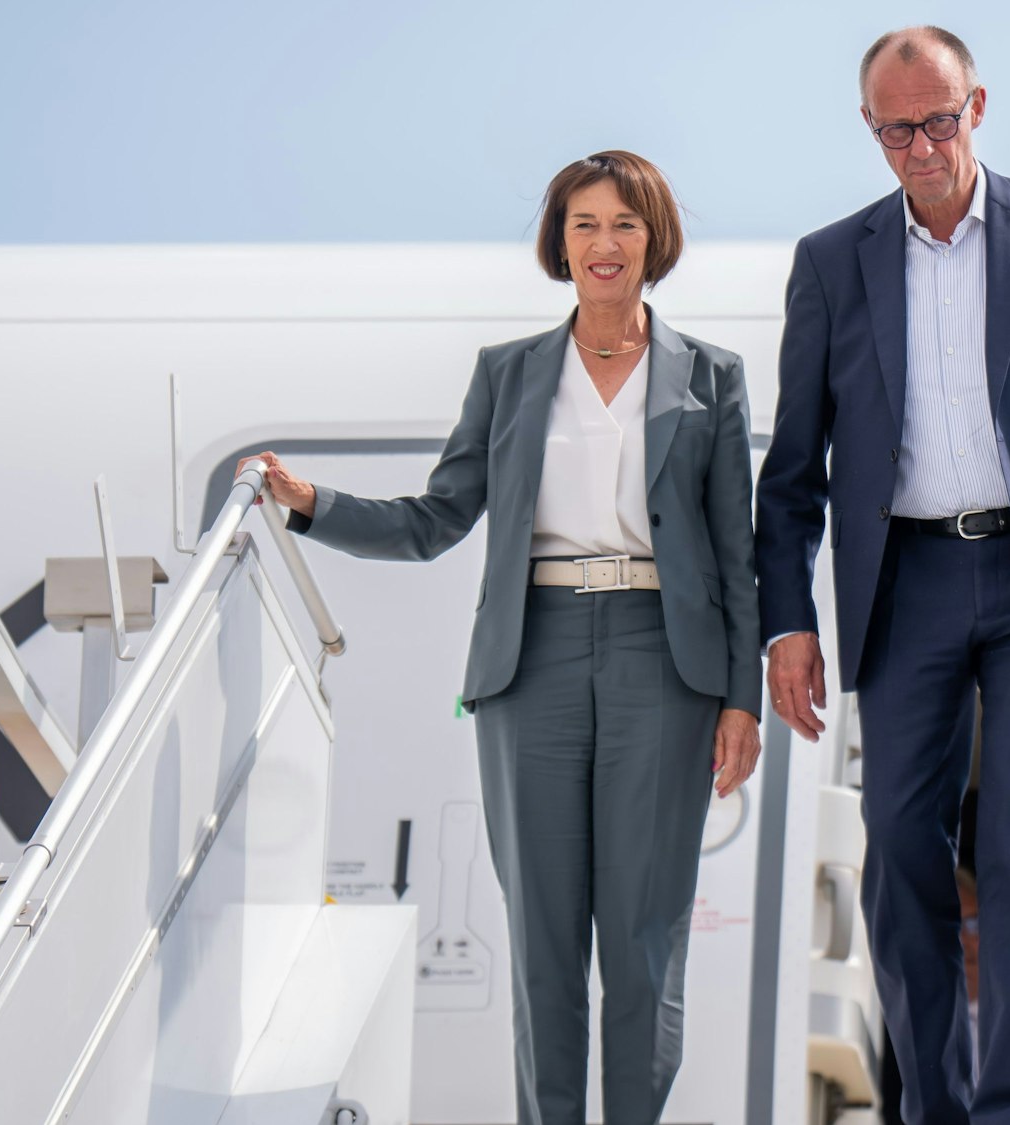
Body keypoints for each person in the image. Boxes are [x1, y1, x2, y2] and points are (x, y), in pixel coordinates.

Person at [241, 150, 761, 1125]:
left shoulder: (713, 380)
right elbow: (436, 519)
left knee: (645, 945)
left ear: (654, 239)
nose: (602, 244)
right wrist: (313, 506)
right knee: (544, 945)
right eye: (582, 224)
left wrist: (742, 700)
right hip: (534, 662)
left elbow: (737, 556)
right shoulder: (510, 374)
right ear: (557, 242)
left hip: (666, 662)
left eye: (622, 224)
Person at [755, 27, 1010, 1125]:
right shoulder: (832, 262)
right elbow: (793, 468)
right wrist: (786, 620)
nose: (923, 145)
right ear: (869, 129)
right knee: (898, 851)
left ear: (976, 106)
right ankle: (931, 1107)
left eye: (940, 119)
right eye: (899, 128)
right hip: (904, 581)